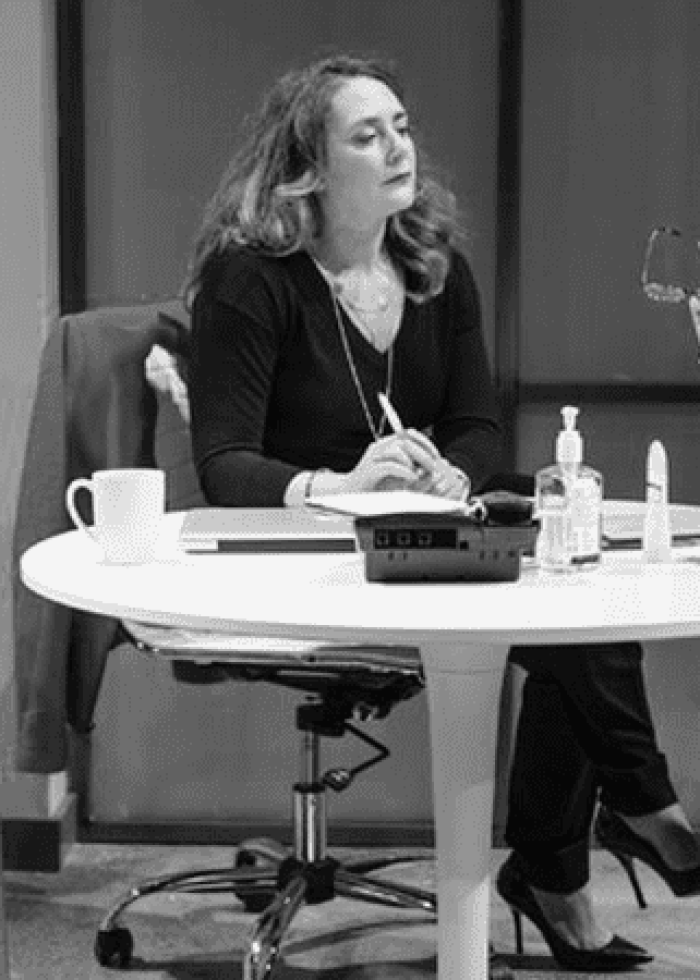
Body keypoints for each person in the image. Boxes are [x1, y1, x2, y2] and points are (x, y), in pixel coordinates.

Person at [183, 53, 699, 974]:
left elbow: (478, 430)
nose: (398, 146)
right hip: (311, 563)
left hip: (430, 540)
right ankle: (623, 826)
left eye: (403, 126)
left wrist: (445, 483)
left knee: (572, 595)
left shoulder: (432, 269)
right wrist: (346, 483)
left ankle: (586, 846)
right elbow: (225, 466)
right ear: (304, 168)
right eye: (367, 133)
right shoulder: (249, 279)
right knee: (571, 633)